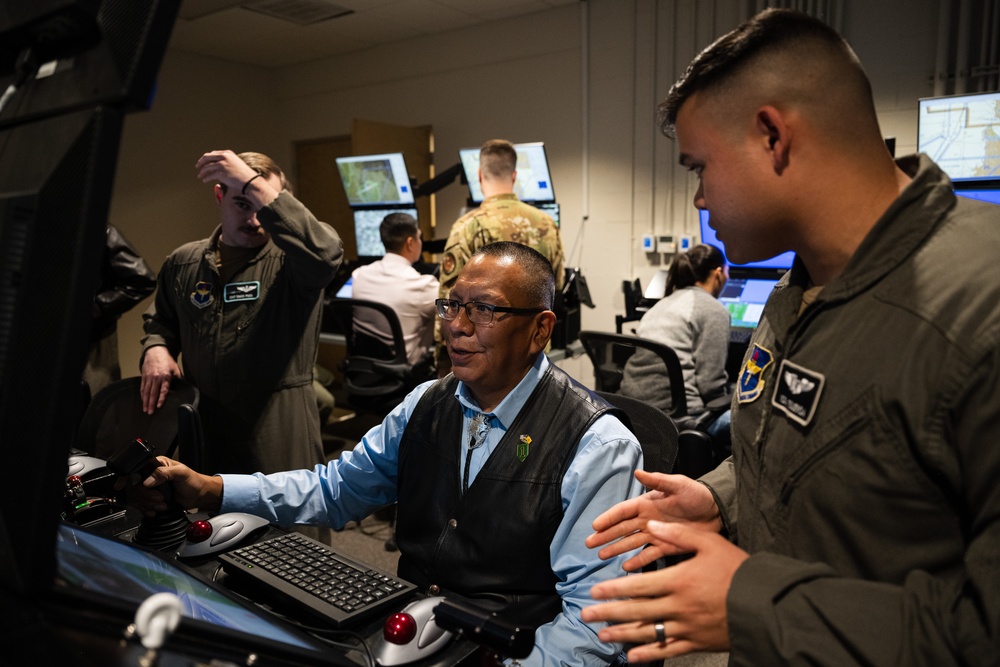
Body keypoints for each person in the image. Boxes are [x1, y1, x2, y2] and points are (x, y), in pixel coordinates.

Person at [581, 8, 1000, 666]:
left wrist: (750, 599)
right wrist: (721, 495)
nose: (698, 200)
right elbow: (810, 465)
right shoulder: (795, 292)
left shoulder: (980, 306)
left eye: (699, 168)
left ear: (772, 136)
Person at [137, 242, 645, 666]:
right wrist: (212, 489)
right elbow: (336, 489)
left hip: (510, 653)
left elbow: (595, 625)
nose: (457, 326)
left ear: (540, 330)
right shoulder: (427, 402)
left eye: (484, 310)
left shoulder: (599, 447)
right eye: (452, 305)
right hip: (410, 637)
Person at [140, 150, 343, 476]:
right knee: (209, 519)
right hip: (206, 424)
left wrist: (250, 184)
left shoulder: (292, 261)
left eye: (262, 206)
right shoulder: (184, 262)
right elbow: (162, 320)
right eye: (241, 203)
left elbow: (326, 253)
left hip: (275, 427)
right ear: (219, 195)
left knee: (286, 522)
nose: (254, 219)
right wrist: (157, 348)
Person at [436, 139, 565, 373]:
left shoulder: (468, 226)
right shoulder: (546, 223)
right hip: (534, 355)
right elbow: (556, 287)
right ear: (514, 176)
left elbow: (450, 299)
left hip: (486, 359)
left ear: (479, 174)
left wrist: (443, 357)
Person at [619, 243, 730, 419]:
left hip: (636, 410)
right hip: (683, 416)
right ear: (718, 273)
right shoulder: (714, 310)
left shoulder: (661, 304)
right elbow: (710, 385)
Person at [350, 212, 438, 369]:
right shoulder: (422, 286)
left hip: (364, 369)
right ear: (410, 243)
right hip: (406, 373)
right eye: (419, 237)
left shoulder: (359, 275)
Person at [83, 224, 157, 397]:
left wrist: (96, 308)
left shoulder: (97, 230)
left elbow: (142, 279)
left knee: (95, 412)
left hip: (94, 343)